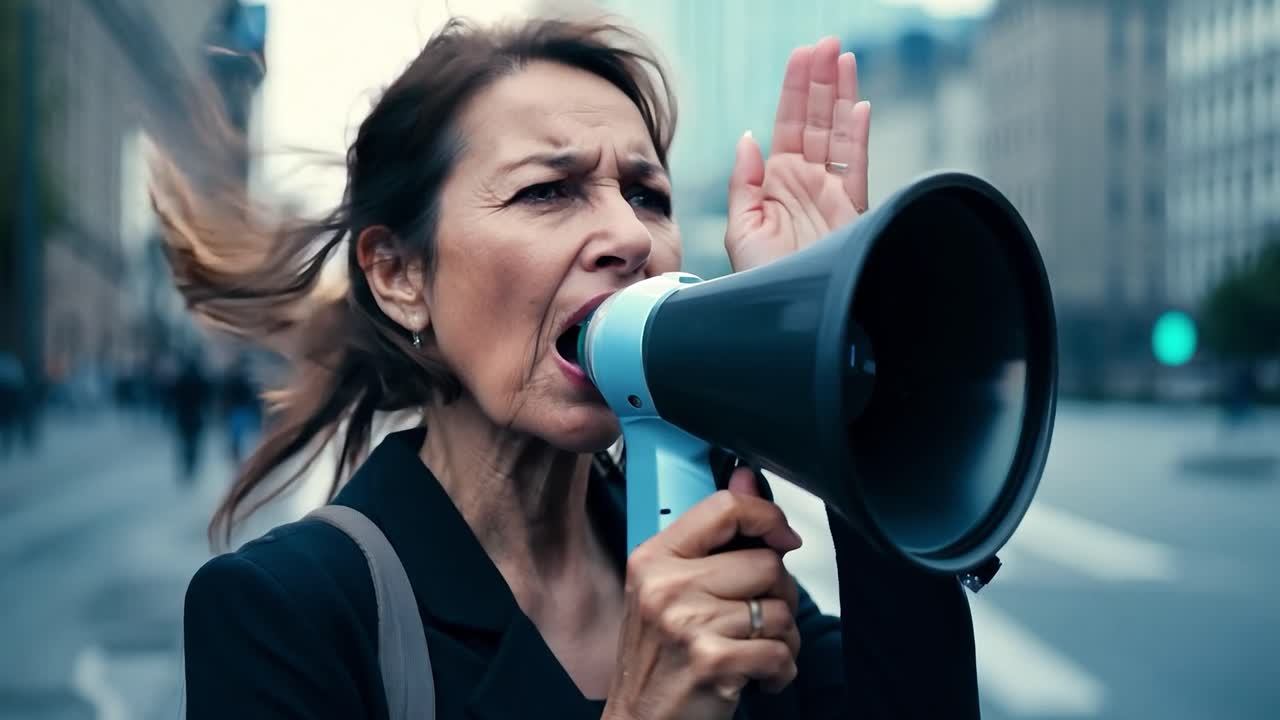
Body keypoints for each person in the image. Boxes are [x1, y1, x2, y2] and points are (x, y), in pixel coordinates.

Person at [159, 17, 980, 719]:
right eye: (549, 191)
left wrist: (830, 338)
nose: (630, 236)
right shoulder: (286, 615)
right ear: (401, 275)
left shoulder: (715, 560)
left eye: (648, 195)